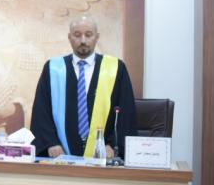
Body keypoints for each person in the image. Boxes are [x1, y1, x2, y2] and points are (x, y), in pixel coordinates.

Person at [30, 16, 137, 158]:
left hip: (104, 156)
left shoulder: (116, 68)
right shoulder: (53, 68)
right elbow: (41, 111)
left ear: (97, 37)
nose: (83, 41)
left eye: (88, 34)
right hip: (60, 158)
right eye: (77, 35)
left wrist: (113, 145)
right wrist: (50, 143)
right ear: (69, 37)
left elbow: (126, 112)